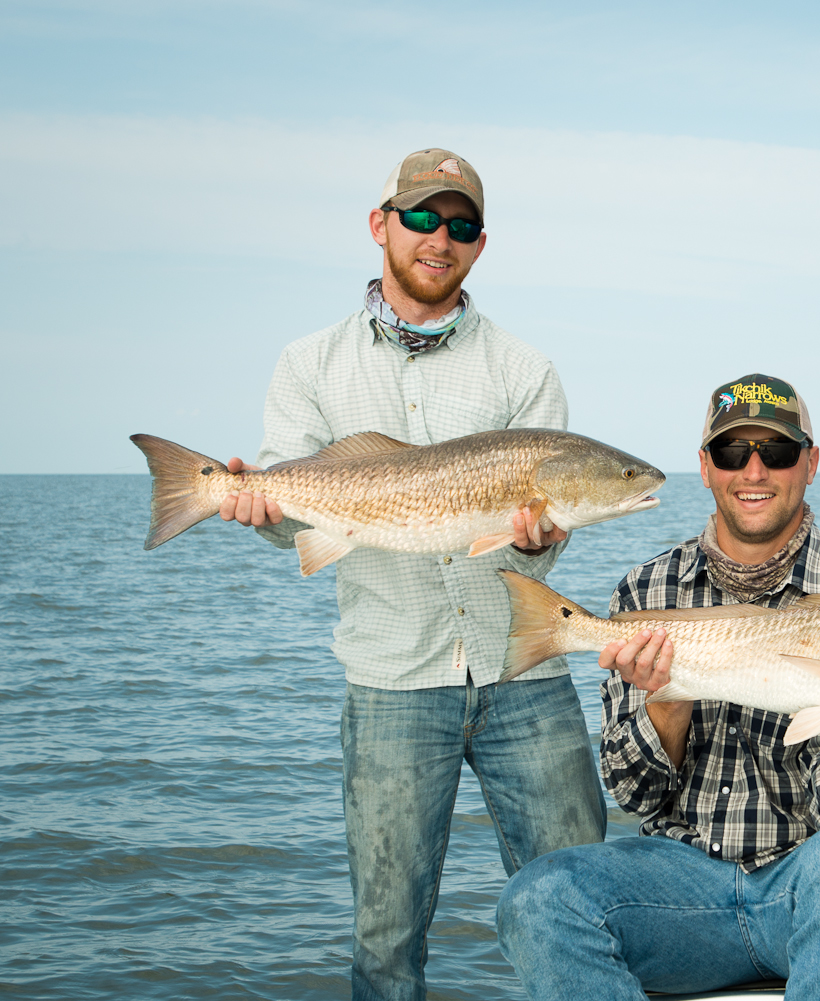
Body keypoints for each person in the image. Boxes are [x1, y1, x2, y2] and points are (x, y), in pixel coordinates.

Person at [217, 148, 606, 1001]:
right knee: (386, 945)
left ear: (479, 243)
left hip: (523, 673)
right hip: (391, 679)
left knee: (584, 902)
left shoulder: (524, 371)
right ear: (381, 224)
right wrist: (262, 514)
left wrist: (542, 539)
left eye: (460, 225)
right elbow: (298, 534)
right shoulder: (308, 365)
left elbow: (544, 541)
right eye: (423, 218)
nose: (440, 239)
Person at [496, 374, 820, 1001]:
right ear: (705, 467)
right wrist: (667, 699)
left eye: (774, 452)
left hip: (811, 884)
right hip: (678, 891)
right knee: (538, 896)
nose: (753, 471)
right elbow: (634, 796)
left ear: (810, 463)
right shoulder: (644, 592)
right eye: (730, 452)